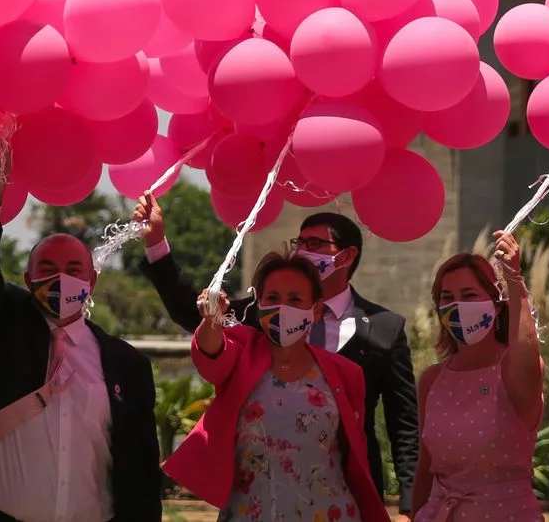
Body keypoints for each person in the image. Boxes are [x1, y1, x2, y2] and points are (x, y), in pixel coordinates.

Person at [0, 152, 163, 522]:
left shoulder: (129, 366)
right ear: (29, 282)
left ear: (91, 281)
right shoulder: (5, 328)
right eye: (47, 270)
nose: (61, 278)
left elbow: (141, 472)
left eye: (73, 269)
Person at [137, 195, 419, 519]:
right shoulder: (255, 321)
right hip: (255, 502)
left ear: (347, 255)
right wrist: (157, 245)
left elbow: (404, 423)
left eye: (316, 243)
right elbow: (198, 320)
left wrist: (410, 504)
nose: (304, 250)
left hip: (334, 499)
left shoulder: (383, 329)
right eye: (301, 242)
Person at [164, 252, 389, 522]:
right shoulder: (241, 352)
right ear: (258, 303)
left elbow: (353, 451)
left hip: (330, 513)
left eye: (295, 299)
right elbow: (211, 354)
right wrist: (212, 319)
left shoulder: (346, 374)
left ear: (316, 310)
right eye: (272, 298)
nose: (283, 308)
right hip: (250, 513)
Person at [411, 232, 544, 521]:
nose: (457, 306)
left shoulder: (512, 369)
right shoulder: (432, 380)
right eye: (447, 298)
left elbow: (527, 355)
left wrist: (514, 279)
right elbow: (426, 467)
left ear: (497, 305)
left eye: (469, 295)